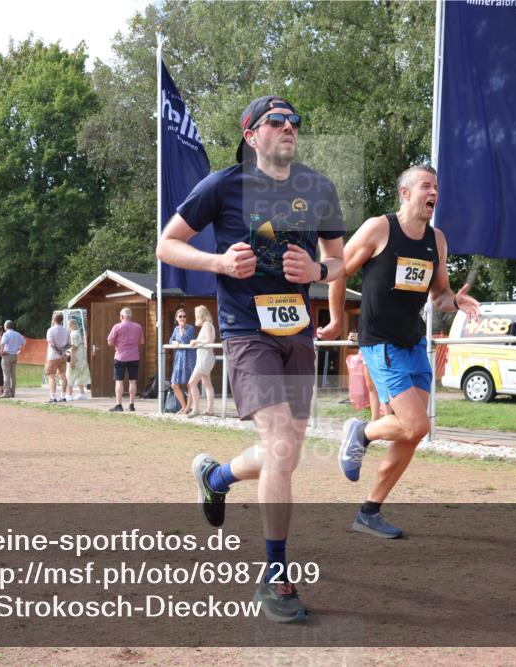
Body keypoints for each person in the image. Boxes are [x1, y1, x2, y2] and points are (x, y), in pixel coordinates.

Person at [156, 95, 345, 622]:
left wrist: (318, 273)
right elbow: (167, 246)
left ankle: (216, 479)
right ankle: (275, 576)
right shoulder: (223, 186)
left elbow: (339, 257)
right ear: (251, 134)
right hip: (247, 333)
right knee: (281, 444)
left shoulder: (318, 188)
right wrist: (217, 260)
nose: (289, 128)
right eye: (276, 122)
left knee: (286, 452)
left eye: (295, 122)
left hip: (298, 335)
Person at [338, 165, 480, 539]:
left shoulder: (438, 240)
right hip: (380, 341)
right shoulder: (379, 228)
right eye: (426, 186)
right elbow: (337, 269)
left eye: (436, 187)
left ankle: (369, 510)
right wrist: (336, 319)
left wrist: (457, 301)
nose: (433, 193)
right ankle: (362, 433)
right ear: (405, 193)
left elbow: (439, 295)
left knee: (411, 434)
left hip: (413, 340)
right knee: (418, 425)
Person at [106, 307, 143, 412]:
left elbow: (109, 342)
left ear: (122, 317)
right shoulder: (138, 327)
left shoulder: (117, 327)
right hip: (134, 357)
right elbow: (142, 341)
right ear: (130, 317)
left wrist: (118, 344)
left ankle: (119, 405)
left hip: (120, 357)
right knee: (133, 381)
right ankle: (131, 405)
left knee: (119, 382)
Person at [186, 305, 217, 418]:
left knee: (191, 383)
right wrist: (196, 341)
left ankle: (196, 409)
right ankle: (210, 409)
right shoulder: (207, 325)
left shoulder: (207, 325)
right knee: (207, 383)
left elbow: (209, 340)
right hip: (205, 358)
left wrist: (197, 342)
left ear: (200, 315)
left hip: (205, 359)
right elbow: (206, 340)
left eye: (196, 315)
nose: (195, 317)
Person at [168, 308, 196, 414]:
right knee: (174, 384)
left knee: (190, 384)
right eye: (180, 316)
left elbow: (185, 340)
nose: (182, 318)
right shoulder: (176, 329)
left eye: (184, 316)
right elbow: (171, 340)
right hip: (179, 358)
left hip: (189, 358)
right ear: (176, 318)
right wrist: (174, 342)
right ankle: (184, 407)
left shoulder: (190, 328)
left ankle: (188, 408)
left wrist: (182, 331)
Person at [45, 313, 71, 403]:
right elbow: (69, 344)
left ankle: (52, 397)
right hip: (63, 356)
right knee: (63, 375)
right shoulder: (66, 331)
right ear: (62, 320)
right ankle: (63, 396)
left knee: (51, 376)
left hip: (53, 356)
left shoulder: (50, 330)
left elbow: (51, 344)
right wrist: (63, 351)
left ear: (53, 319)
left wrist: (59, 351)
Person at [0, 320, 25, 398]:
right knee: (13, 375)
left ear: (6, 326)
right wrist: (19, 349)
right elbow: (24, 342)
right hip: (14, 355)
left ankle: (6, 393)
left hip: (7, 355)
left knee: (6, 375)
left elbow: (2, 343)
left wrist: (1, 352)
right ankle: (12, 392)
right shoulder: (18, 334)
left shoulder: (6, 334)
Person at [66, 318, 90, 400]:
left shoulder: (73, 334)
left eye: (68, 325)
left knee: (70, 375)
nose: (67, 327)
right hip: (81, 358)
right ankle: (82, 393)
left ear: (71, 325)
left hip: (76, 358)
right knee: (80, 375)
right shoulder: (78, 333)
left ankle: (69, 395)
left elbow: (73, 348)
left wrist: (72, 361)